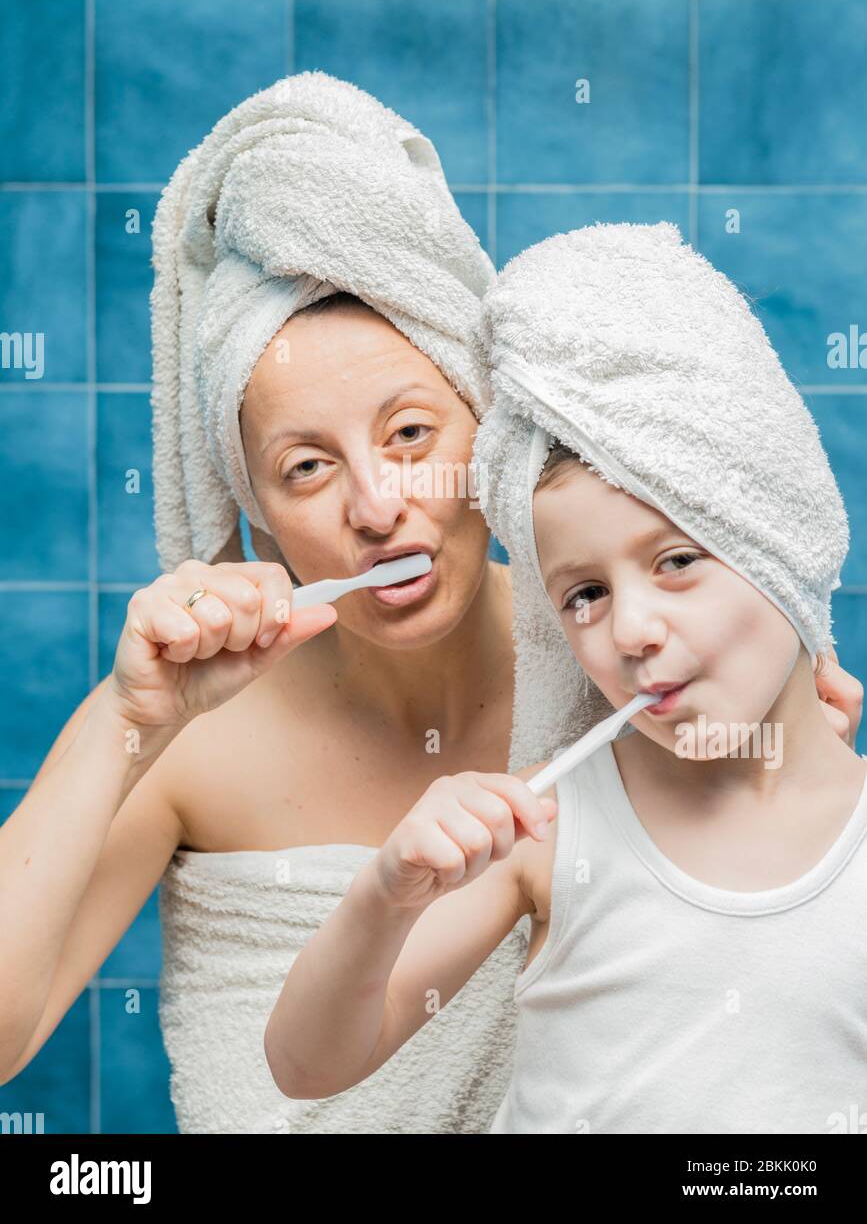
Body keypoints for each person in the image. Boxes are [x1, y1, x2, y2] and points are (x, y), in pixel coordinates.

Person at [0, 73, 531, 1134]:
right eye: (304, 467)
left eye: (412, 435)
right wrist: (124, 722)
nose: (377, 507)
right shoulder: (192, 733)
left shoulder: (622, 662)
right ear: (255, 513)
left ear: (490, 424)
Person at [263, 222, 867, 1134]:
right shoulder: (551, 828)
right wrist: (383, 896)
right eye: (582, 594)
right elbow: (307, 1065)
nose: (627, 629)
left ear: (775, 539)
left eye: (674, 562)